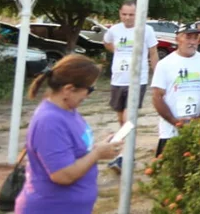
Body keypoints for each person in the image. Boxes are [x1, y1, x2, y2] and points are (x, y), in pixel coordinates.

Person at [15, 55, 121, 213]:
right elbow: (62, 175)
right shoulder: (49, 121)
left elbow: (74, 152)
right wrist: (97, 153)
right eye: (89, 89)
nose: (88, 96)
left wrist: (98, 147)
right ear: (68, 89)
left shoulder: (68, 111)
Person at [102, 0, 158, 172]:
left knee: (128, 119)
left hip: (137, 80)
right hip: (118, 79)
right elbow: (107, 43)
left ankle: (124, 155)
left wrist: (157, 75)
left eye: (131, 14)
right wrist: (118, 53)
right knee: (121, 119)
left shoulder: (146, 30)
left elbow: (153, 52)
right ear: (120, 13)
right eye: (124, 14)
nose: (127, 18)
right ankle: (123, 152)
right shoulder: (114, 30)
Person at [150, 23, 200, 157]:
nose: (192, 42)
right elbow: (157, 97)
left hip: (197, 128)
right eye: (188, 37)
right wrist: (175, 122)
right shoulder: (165, 64)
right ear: (177, 39)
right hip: (171, 130)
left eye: (195, 38)